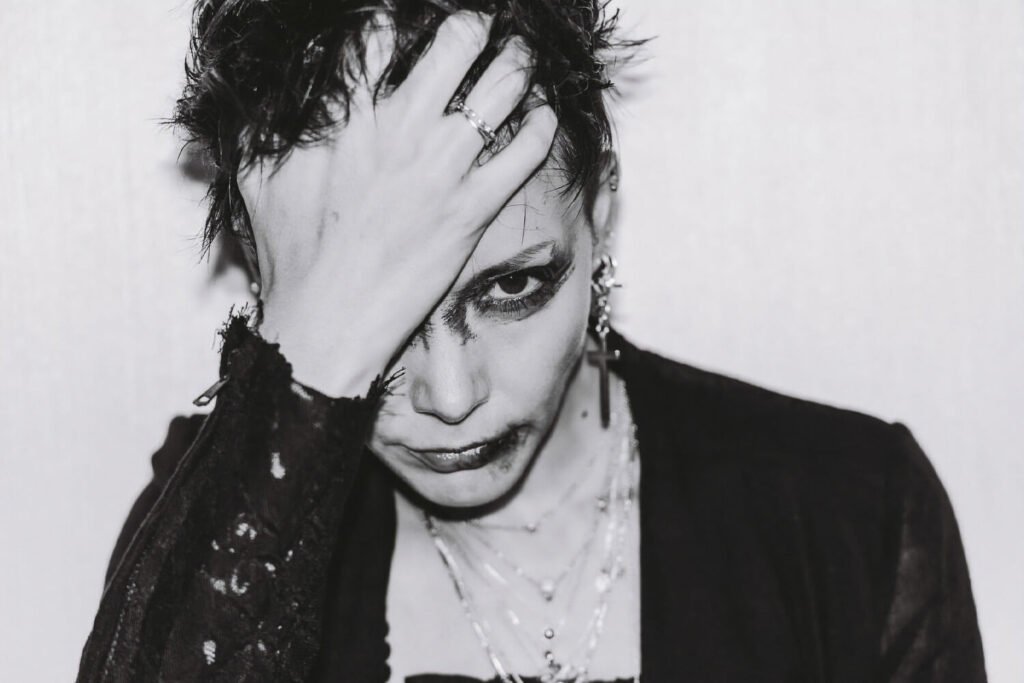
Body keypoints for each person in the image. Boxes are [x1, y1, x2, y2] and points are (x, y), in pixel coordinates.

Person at [77, 1, 986, 681]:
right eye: (383, 319)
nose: (451, 393)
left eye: (511, 287)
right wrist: (309, 353)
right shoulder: (223, 539)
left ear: (598, 209)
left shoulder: (851, 513)